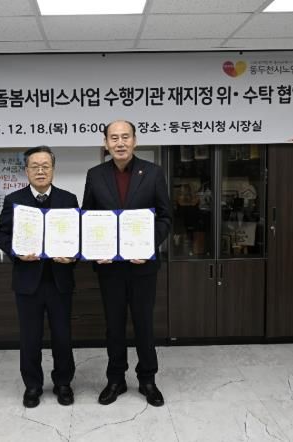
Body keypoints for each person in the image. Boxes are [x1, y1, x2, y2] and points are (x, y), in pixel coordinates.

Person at [82, 120, 172, 407]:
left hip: (143, 265)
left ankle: (148, 379)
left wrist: (148, 245)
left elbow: (165, 217)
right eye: (114, 138)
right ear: (106, 143)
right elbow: (88, 217)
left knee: (144, 323)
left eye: (125, 137)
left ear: (135, 140)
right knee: (114, 325)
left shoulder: (153, 172)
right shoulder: (95, 175)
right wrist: (94, 249)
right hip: (109, 266)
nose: (120, 143)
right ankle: (115, 379)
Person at [0, 146, 78, 408]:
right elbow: (1, 235)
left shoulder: (68, 199)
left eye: (45, 166)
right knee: (30, 338)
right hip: (27, 281)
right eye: (35, 166)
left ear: (53, 169)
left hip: (59, 280)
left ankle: (63, 383)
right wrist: (17, 253)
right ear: (27, 170)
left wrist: (73, 256)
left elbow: (78, 236)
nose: (40, 171)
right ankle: (32, 385)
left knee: (62, 336)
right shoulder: (14, 200)